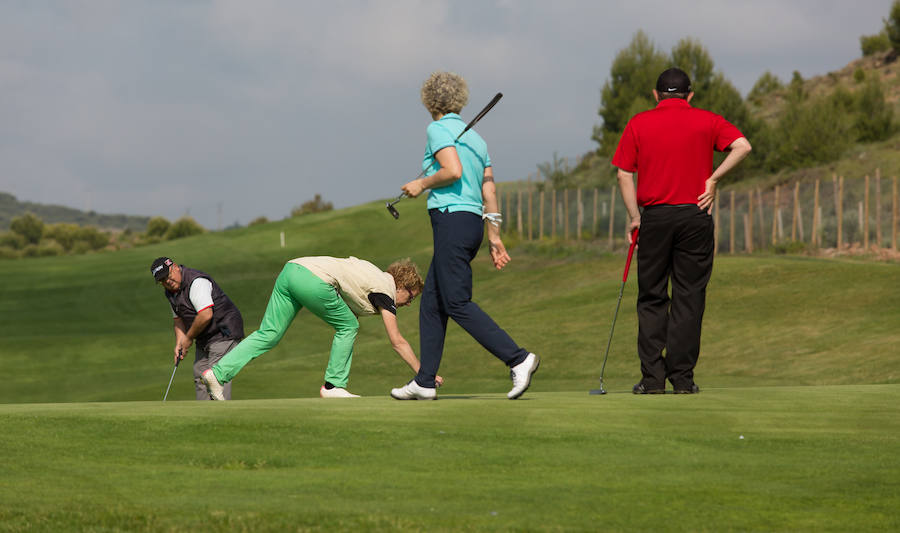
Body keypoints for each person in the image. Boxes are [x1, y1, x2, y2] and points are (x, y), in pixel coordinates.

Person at [390, 71, 540, 401]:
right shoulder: (478, 140)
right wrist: (495, 236)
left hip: (451, 221)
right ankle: (425, 380)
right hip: (470, 224)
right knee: (432, 302)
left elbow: (452, 171)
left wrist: (421, 184)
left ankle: (518, 358)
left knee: (456, 302)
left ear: (429, 101)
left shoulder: (437, 129)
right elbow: (489, 188)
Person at [611, 67, 752, 394]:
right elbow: (742, 146)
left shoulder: (639, 123)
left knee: (651, 298)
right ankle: (683, 380)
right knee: (689, 298)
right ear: (689, 95)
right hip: (696, 215)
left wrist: (635, 217)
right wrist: (713, 180)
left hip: (655, 218)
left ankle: (652, 380)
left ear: (656, 95)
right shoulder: (708, 120)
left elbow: (623, 174)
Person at [200, 256, 435, 400]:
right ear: (402, 285)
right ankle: (333, 386)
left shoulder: (373, 274)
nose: (408, 303)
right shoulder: (385, 289)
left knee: (268, 333)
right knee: (349, 326)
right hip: (312, 279)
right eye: (410, 296)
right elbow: (397, 340)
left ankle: (217, 374)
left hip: (290, 271)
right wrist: (424, 375)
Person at [151, 257, 245, 400]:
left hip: (224, 331)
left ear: (175, 267)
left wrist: (188, 338)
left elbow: (206, 315)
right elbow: (178, 319)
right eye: (162, 281)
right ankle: (203, 415)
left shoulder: (196, 282)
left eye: (168, 276)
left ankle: (223, 417)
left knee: (216, 375)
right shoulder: (170, 292)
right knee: (200, 374)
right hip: (205, 337)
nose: (167, 282)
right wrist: (180, 343)